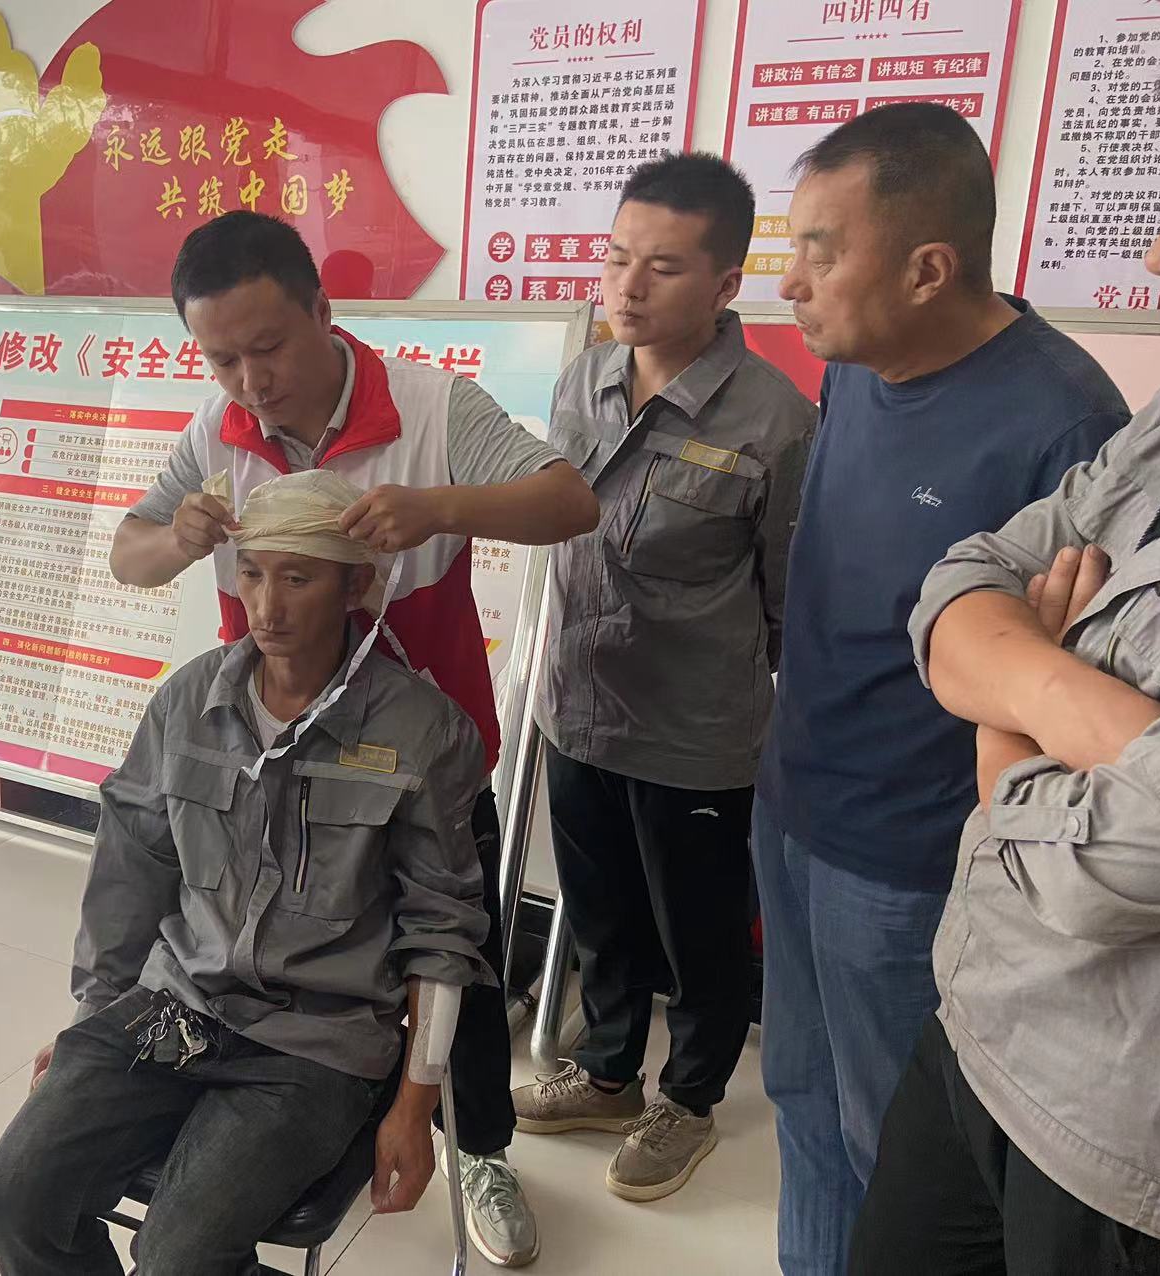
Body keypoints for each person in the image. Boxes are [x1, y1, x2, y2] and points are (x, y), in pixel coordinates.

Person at [109, 210, 599, 1266]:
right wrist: (177, 538)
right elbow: (128, 555)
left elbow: (569, 502)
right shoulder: (216, 433)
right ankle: (249, 1113)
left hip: (419, 763)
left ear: (324, 312)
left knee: (455, 957)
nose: (250, 383)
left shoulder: (428, 406)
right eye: (221, 359)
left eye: (269, 348)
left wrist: (441, 507)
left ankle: (480, 1150)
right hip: (271, 766)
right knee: (262, 945)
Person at [756, 103, 1131, 1272]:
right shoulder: (855, 368)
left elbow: (1067, 687)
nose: (790, 283)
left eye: (821, 253)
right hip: (793, 800)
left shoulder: (1065, 422)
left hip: (911, 857)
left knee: (895, 1152)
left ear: (926, 269)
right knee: (797, 1096)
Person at [0, 470, 492, 1275]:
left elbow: (442, 934)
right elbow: (130, 873)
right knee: (12, 1203)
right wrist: (91, 1021)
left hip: (317, 1043)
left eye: (298, 578)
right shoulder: (186, 704)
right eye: (252, 573)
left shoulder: (424, 733)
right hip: (174, 1004)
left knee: (177, 1256)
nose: (268, 607)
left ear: (356, 585)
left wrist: (414, 1106)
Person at [849, 159, 1160, 1276]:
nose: (1158, 257)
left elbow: (1099, 871)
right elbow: (962, 578)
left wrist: (1001, 738)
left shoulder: (1056, 399)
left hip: (1123, 1138)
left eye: (825, 248)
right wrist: (1051, 696)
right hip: (983, 1019)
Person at [510, 153, 814, 1200]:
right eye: (615, 259)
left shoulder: (776, 419)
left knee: (699, 933)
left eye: (663, 267)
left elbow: (788, 596)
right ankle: (604, 1074)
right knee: (599, 912)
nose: (627, 287)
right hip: (578, 704)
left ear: (726, 284)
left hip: (693, 731)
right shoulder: (582, 378)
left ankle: (688, 1100)